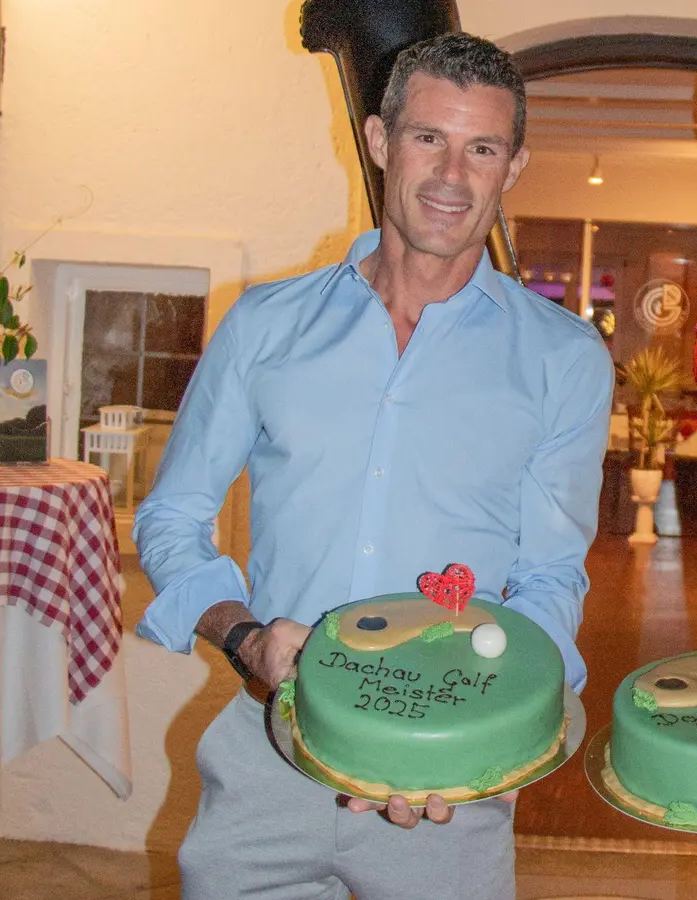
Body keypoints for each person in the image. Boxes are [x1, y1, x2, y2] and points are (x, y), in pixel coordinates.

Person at [132, 32, 613, 900]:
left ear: (514, 166)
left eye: (482, 149)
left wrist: (484, 723)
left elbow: (550, 575)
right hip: (268, 759)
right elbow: (172, 519)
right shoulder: (265, 325)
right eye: (429, 137)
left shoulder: (564, 358)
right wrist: (244, 638)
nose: (452, 175)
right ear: (381, 140)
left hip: (448, 786)